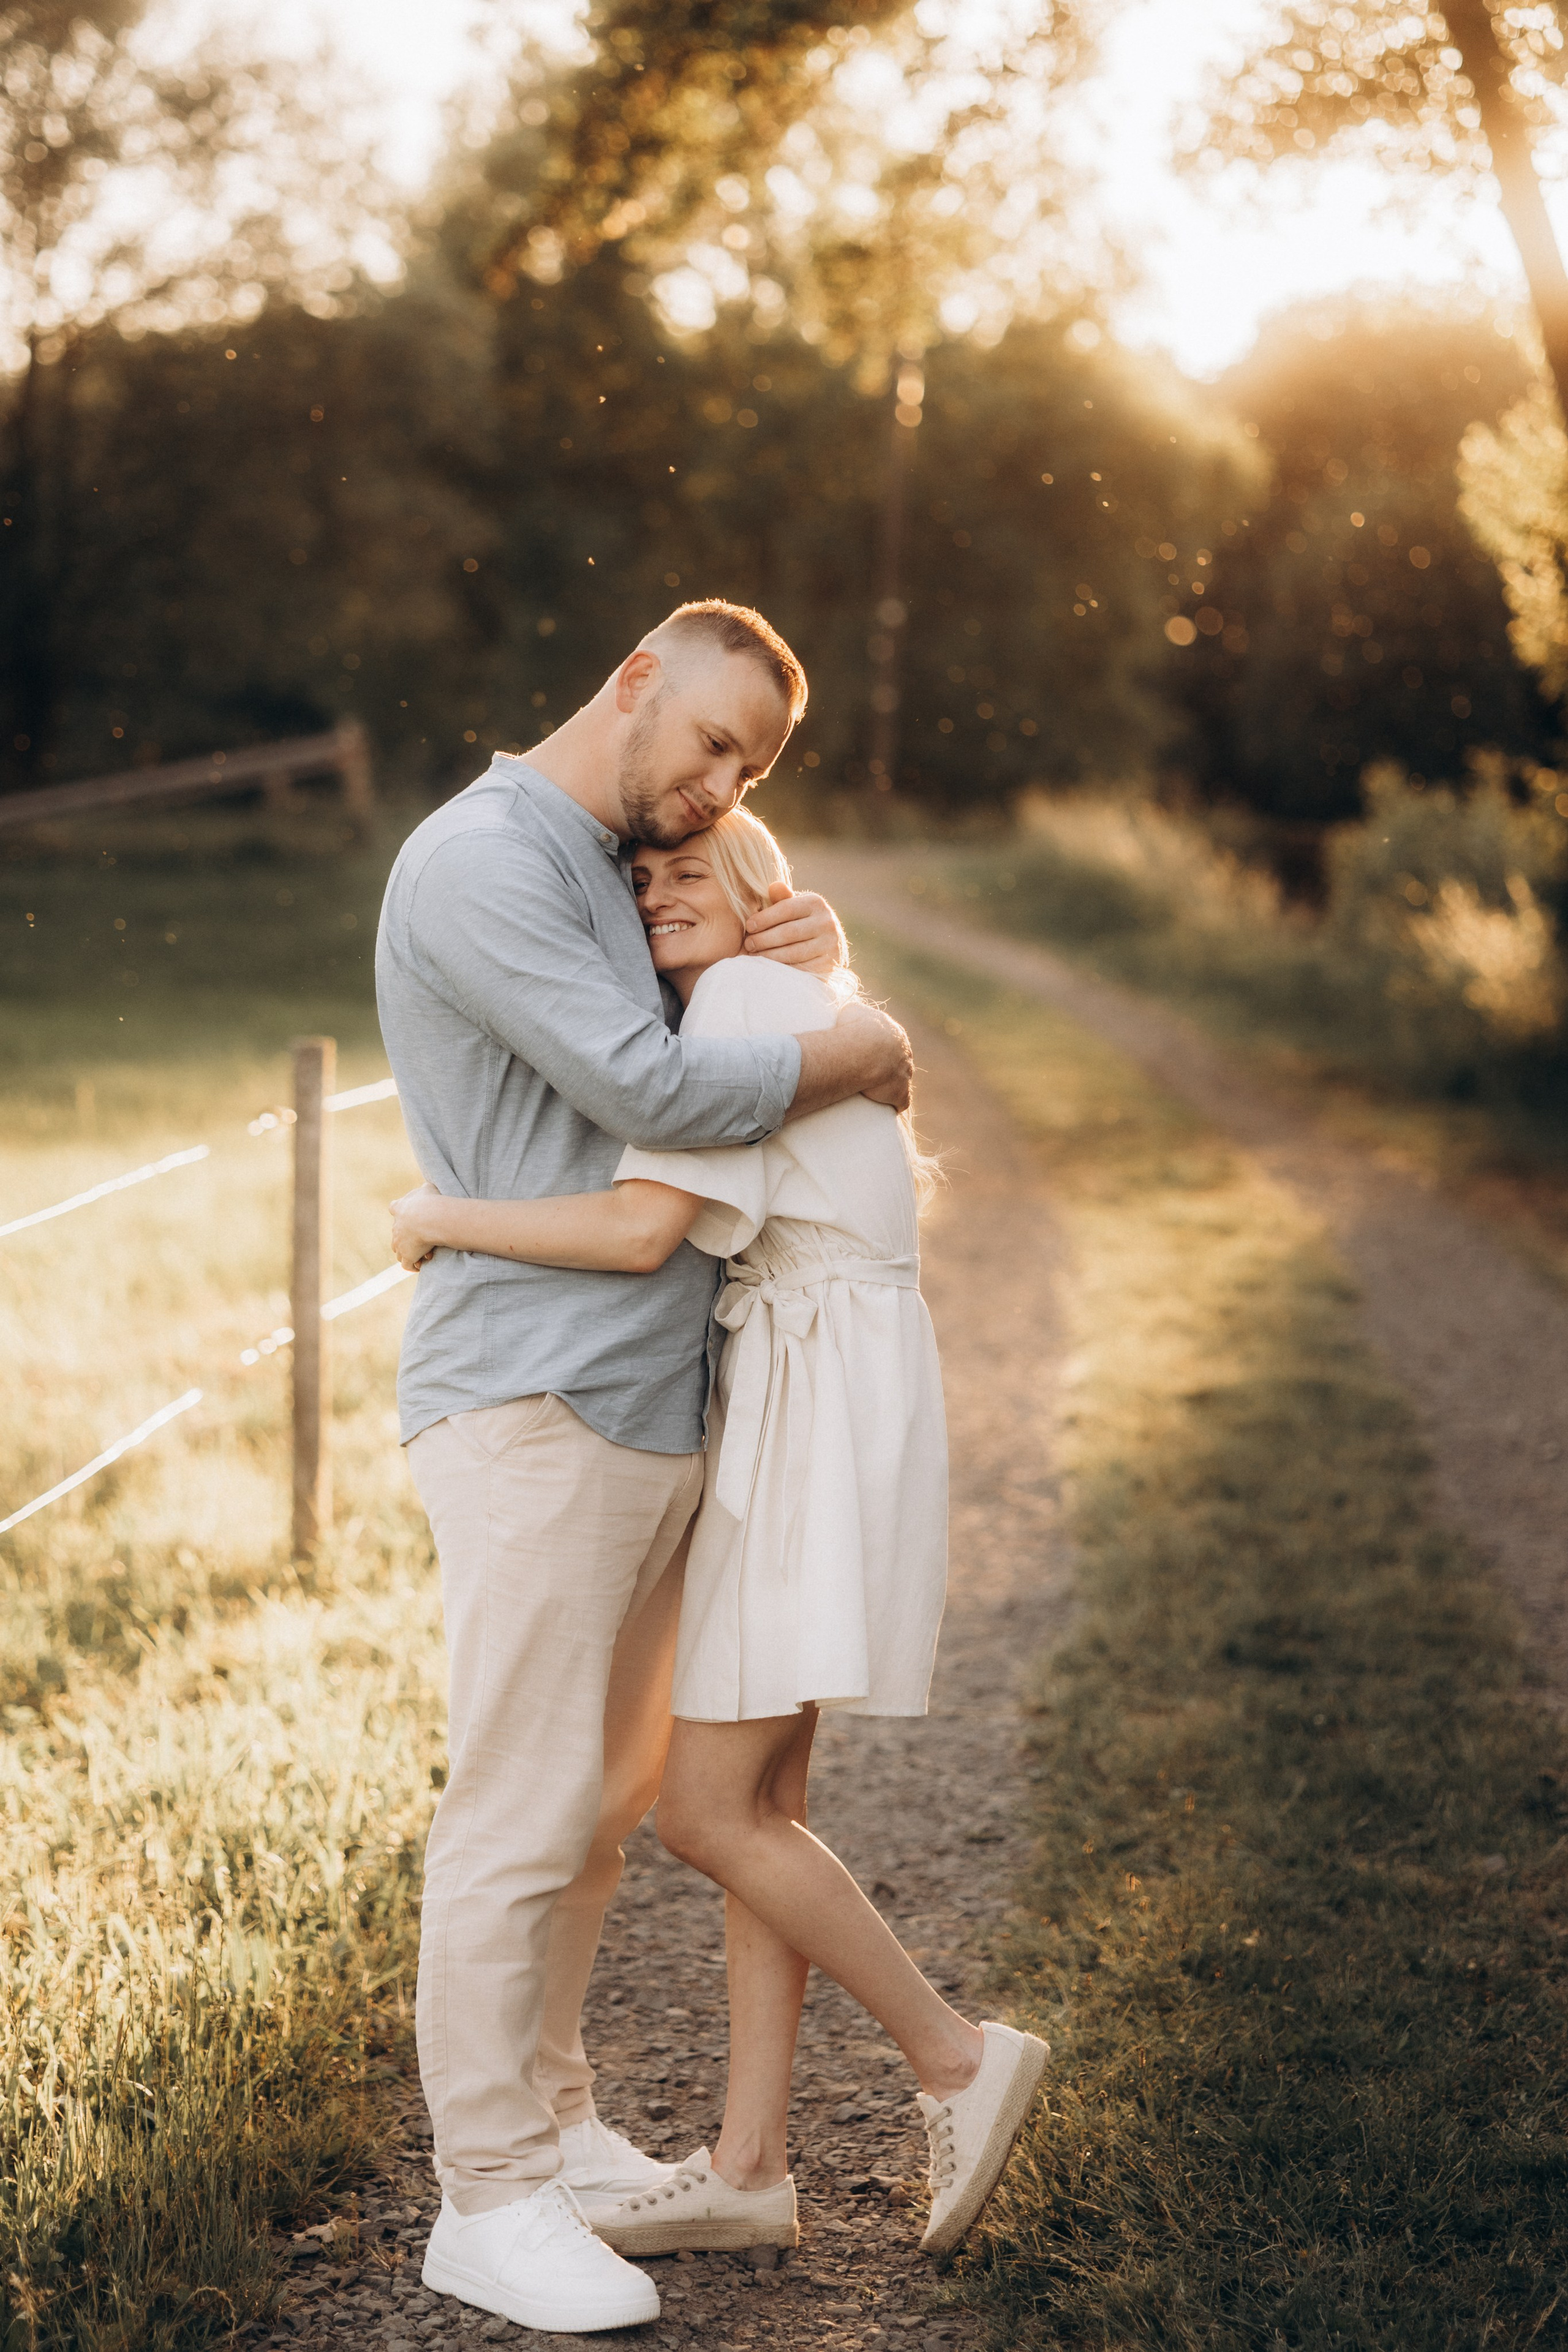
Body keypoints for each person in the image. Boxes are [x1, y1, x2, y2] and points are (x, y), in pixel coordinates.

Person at [390, 806, 1050, 2289]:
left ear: (767, 891)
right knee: (769, 1798)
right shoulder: (786, 1012)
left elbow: (641, 1235)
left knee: (702, 1811)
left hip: (805, 1419)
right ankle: (750, 2167)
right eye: (639, 879)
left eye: (691, 868)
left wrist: (438, 1213)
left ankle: (954, 2057)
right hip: (829, 1395)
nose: (654, 893)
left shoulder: (751, 1009)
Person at [375, 601, 914, 2338]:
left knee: (600, 1815)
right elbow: (641, 1085)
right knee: (520, 1810)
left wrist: (791, 949)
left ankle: (556, 2125)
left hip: (651, 1406)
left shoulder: (614, 858)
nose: (718, 781)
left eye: (749, 768)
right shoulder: (484, 860)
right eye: (707, 740)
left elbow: (690, 1009)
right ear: (632, 682)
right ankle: (486, 2201)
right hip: (533, 1400)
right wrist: (852, 1043)